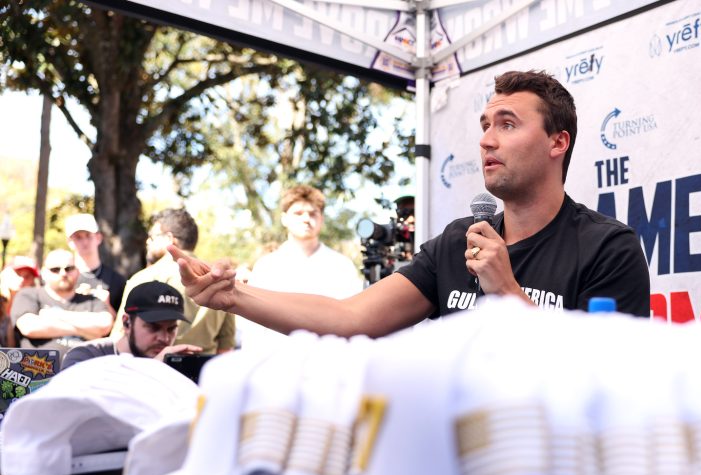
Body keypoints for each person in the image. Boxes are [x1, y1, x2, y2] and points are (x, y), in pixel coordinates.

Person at [170, 70, 650, 339]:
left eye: (507, 124)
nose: (486, 140)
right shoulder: (458, 241)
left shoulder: (607, 248)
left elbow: (606, 380)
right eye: (485, 125)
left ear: (557, 142)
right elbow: (350, 318)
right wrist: (234, 297)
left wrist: (506, 291)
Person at [239, 185, 362, 349]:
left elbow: (353, 318)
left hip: (329, 356)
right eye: (298, 213)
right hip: (277, 358)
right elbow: (252, 327)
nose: (306, 219)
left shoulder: (342, 266)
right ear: (284, 218)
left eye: (313, 213)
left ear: (321, 218)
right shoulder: (266, 266)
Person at [113, 208, 235, 354]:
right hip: (204, 366)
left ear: (170, 239)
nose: (148, 241)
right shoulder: (220, 280)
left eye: (152, 237)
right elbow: (225, 347)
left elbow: (120, 337)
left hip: (154, 365)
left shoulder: (144, 278)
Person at [62, 281, 201, 369]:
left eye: (171, 329)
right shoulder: (86, 356)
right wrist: (153, 370)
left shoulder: (174, 365)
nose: (164, 338)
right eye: (154, 327)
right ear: (126, 323)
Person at [10, 249, 114, 353]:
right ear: (44, 272)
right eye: (55, 269)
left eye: (69, 268)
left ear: (78, 271)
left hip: (86, 363)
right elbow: (29, 327)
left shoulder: (92, 300)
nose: (63, 273)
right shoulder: (28, 295)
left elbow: (104, 325)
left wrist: (56, 315)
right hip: (38, 363)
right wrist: (87, 332)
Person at [65, 213, 127, 312]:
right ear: (69, 241)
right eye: (78, 237)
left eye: (88, 236)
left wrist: (105, 305)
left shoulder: (116, 280)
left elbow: (123, 319)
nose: (85, 242)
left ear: (98, 238)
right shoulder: (62, 278)